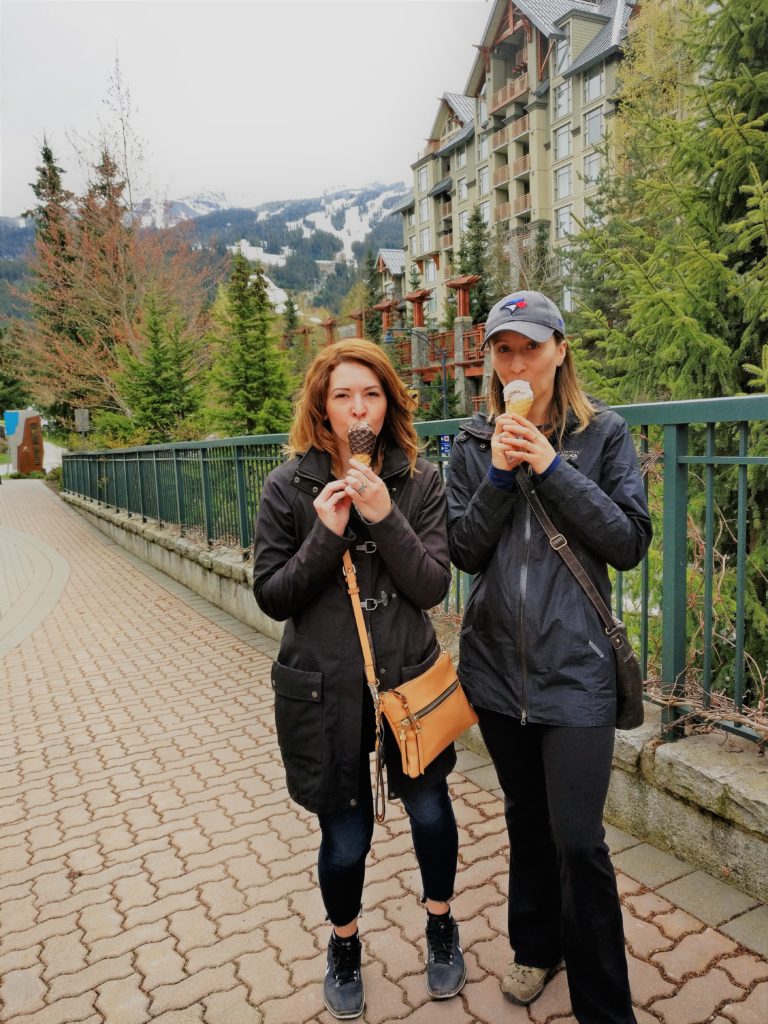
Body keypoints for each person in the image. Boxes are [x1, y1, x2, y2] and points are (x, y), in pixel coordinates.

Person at [446, 291, 651, 1024]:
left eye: (529, 347)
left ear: (560, 351)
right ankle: (535, 947)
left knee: (580, 839)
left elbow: (627, 543)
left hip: (577, 672)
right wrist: (501, 474)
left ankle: (605, 1005)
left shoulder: (604, 435)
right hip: (498, 670)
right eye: (502, 350)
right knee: (524, 818)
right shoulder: (473, 443)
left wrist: (552, 467)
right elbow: (464, 550)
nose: (515, 363)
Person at [253, 339, 466, 1020]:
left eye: (370, 394)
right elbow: (273, 595)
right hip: (325, 690)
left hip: (409, 679)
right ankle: (343, 944)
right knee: (345, 839)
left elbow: (433, 585)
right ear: (322, 407)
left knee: (431, 811)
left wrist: (383, 515)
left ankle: (441, 924)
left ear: (389, 403)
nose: (357, 407)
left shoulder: (419, 481)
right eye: (342, 395)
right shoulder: (287, 486)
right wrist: (325, 534)